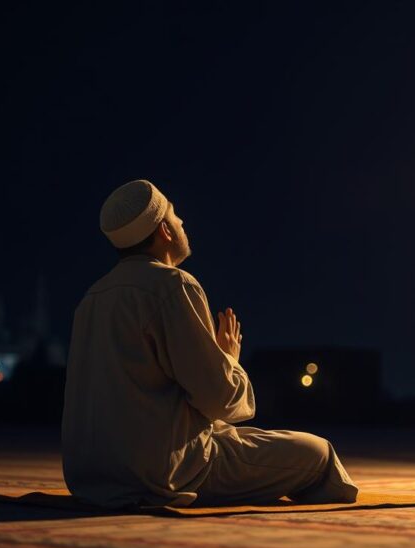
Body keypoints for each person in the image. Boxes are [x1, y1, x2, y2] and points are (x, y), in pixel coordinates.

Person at [62, 179, 359, 508]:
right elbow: (219, 400)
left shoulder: (92, 297)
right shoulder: (173, 285)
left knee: (248, 441)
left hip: (89, 477)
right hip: (163, 472)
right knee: (317, 453)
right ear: (165, 231)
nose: (182, 223)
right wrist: (228, 358)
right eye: (176, 217)